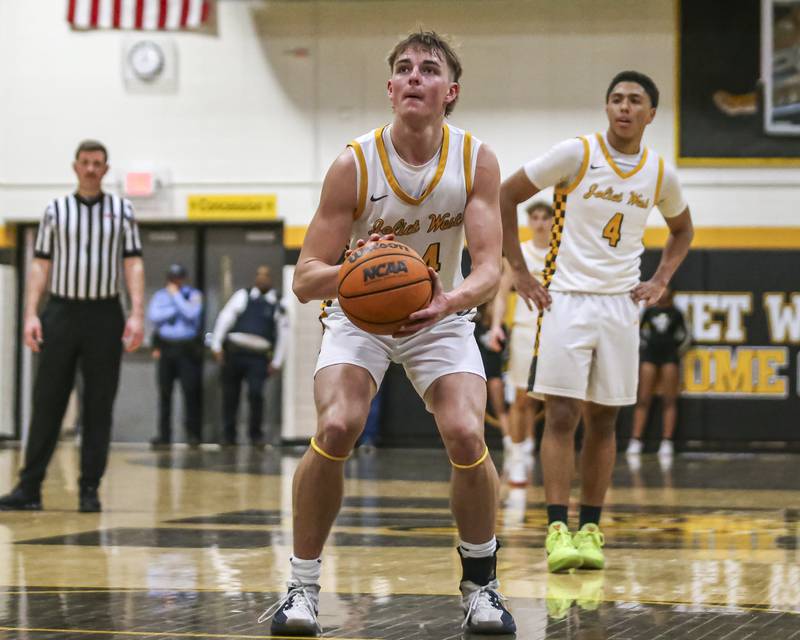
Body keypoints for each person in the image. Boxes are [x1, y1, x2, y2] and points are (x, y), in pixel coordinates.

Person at [260, 31, 515, 636]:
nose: (414, 77)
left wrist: (446, 299)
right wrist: (353, 269)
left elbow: (488, 269)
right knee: (337, 425)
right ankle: (301, 587)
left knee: (463, 431)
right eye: (403, 69)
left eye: (428, 69)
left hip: (440, 313)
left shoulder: (476, 159)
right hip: (359, 317)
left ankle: (482, 586)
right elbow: (304, 280)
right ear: (390, 88)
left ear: (449, 91)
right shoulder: (354, 162)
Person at [499, 71, 694, 573]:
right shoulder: (576, 153)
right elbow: (504, 195)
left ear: (651, 114)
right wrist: (519, 271)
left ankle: (590, 528)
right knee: (562, 414)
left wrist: (661, 279)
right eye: (616, 99)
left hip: (620, 305)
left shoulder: (658, 173)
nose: (624, 108)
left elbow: (682, 230)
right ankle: (557, 529)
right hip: (564, 299)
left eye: (635, 101)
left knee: (605, 418)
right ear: (606, 107)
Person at [0, 139, 144, 513]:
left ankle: (89, 490)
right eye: (85, 162)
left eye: (98, 163)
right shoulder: (55, 210)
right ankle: (29, 488)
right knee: (47, 401)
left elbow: (133, 264)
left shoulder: (122, 210)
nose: (92, 169)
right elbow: (40, 265)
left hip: (104, 313)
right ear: (75, 167)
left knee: (98, 404)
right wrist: (31, 313)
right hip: (61, 312)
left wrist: (137, 314)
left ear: (106, 169)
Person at [489, 201, 554, 486]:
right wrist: (495, 326)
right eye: (535, 218)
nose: (540, 223)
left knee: (558, 401)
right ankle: (516, 457)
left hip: (557, 331)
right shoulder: (520, 254)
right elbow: (502, 294)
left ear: (554, 221)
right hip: (525, 331)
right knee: (520, 398)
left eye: (544, 218)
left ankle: (541, 452)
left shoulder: (562, 253)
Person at [210, 265, 286, 448]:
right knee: (230, 396)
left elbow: (284, 334)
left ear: (271, 279)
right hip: (234, 354)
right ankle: (229, 436)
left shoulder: (277, 302)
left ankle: (255, 436)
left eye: (266, 275)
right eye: (259, 275)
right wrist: (216, 345)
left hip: (258, 358)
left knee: (255, 394)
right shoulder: (242, 295)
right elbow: (225, 318)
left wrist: (277, 361)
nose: (262, 279)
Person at [627, 288, 690, 459]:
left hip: (669, 357)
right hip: (650, 356)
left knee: (669, 400)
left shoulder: (676, 313)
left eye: (667, 289)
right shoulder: (649, 311)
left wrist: (676, 350)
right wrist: (645, 346)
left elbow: (686, 336)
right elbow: (637, 331)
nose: (663, 292)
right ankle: (636, 440)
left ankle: (667, 441)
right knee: (643, 399)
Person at [147, 264, 204, 448]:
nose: (175, 281)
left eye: (178, 277)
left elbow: (192, 313)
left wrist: (175, 297)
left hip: (186, 350)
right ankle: (164, 436)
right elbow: (154, 316)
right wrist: (177, 307)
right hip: (167, 349)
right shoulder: (159, 295)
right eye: (172, 278)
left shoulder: (193, 294)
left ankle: (193, 435)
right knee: (165, 394)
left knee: (190, 392)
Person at [473, 302, 510, 444]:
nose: (492, 311)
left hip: (494, 376)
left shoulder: (501, 329)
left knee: (501, 412)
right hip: (478, 376)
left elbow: (504, 352)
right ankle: (476, 444)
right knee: (476, 413)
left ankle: (509, 444)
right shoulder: (476, 327)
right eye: (490, 308)